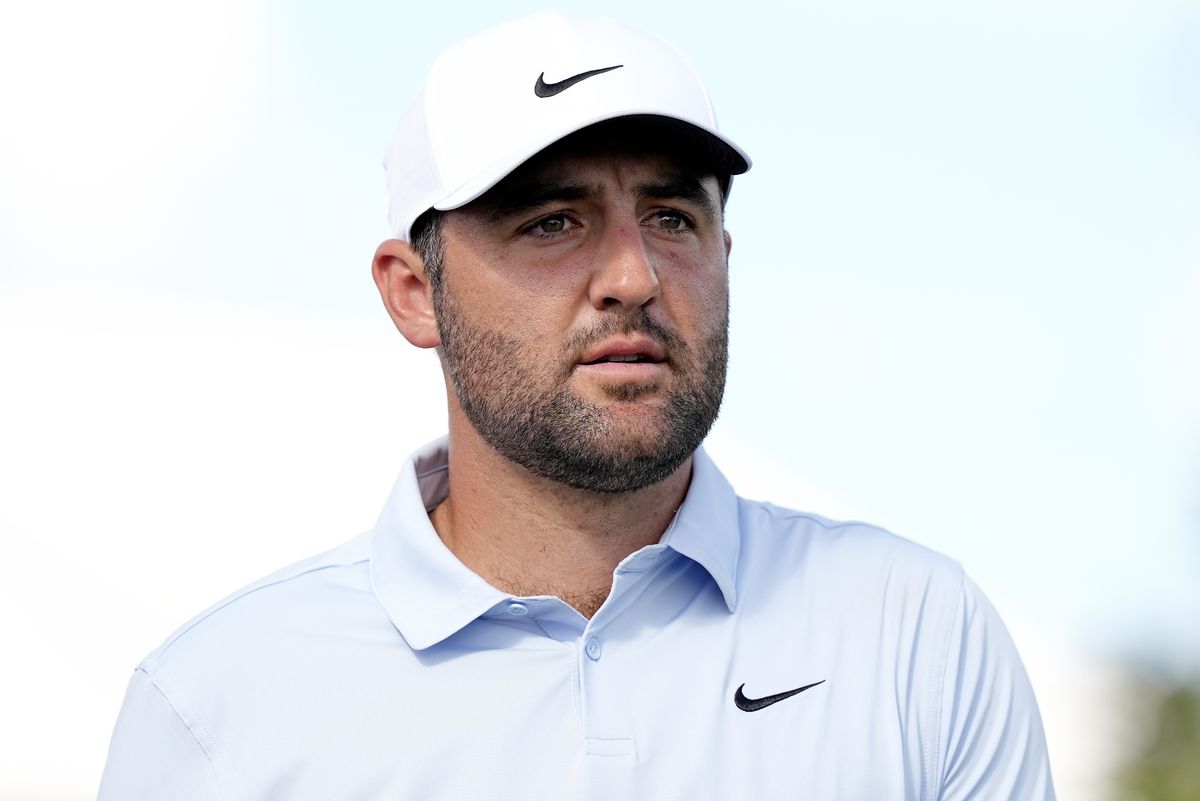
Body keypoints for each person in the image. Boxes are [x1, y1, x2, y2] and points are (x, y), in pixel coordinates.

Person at [98, 13, 1055, 800]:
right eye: (552, 221)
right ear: (412, 291)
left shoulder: (914, 638)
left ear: (727, 256)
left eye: (674, 217)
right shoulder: (219, 708)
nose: (634, 275)